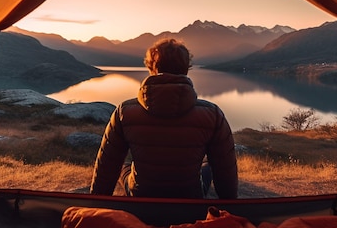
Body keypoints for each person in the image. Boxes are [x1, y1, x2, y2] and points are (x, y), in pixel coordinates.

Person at [90, 38, 238, 199]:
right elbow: (225, 169)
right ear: (186, 69)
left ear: (151, 67)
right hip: (190, 199)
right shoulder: (212, 114)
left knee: (123, 166)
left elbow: (107, 165)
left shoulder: (124, 112)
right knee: (208, 165)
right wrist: (229, 204)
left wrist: (95, 203)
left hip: (141, 198)